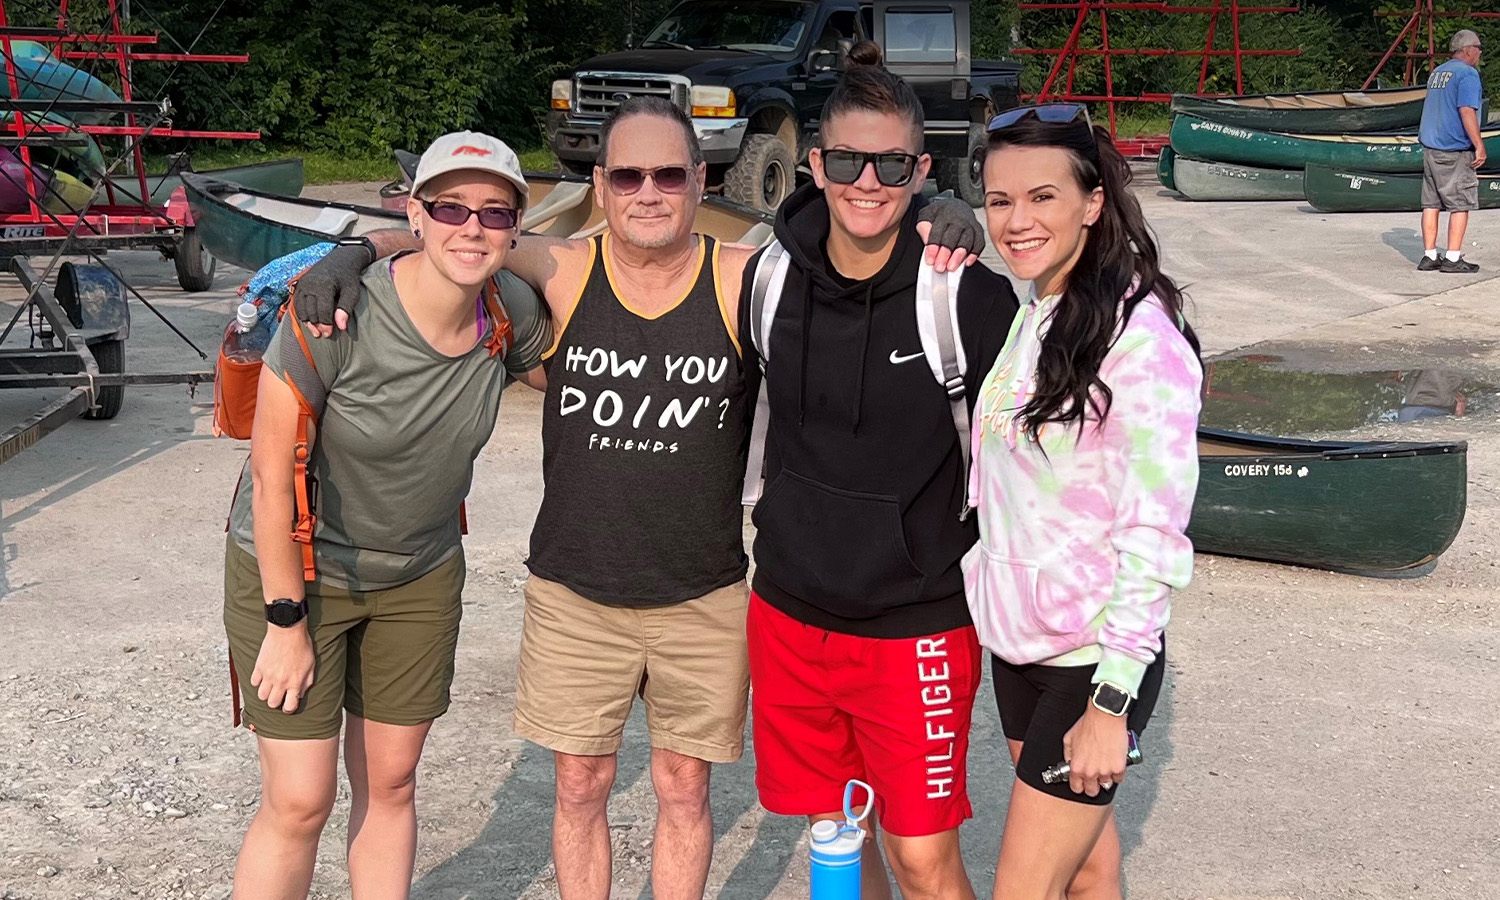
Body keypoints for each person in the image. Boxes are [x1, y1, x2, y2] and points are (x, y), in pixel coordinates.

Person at [278, 97, 984, 900]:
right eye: (627, 175)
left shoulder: (740, 279)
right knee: (580, 787)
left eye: (670, 174)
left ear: (701, 182)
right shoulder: (569, 268)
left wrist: (936, 209)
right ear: (601, 185)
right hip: (575, 592)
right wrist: (353, 249)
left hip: (703, 594)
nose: (649, 191)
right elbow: (460, 231)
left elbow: (851, 245)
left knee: (683, 789)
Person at [223, 132, 544, 900]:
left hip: (419, 574)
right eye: (450, 208)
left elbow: (587, 382)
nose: (472, 227)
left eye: (495, 213)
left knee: (393, 783)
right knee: (300, 800)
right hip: (299, 571)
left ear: (517, 226)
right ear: (417, 213)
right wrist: (285, 621)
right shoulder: (335, 315)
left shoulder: (510, 310)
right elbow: (270, 481)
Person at [741, 42, 1019, 900]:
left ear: (921, 168)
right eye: (851, 160)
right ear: (815, 163)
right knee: (836, 841)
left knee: (923, 861)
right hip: (789, 612)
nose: (870, 181)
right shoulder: (769, 278)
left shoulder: (968, 298)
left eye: (893, 164)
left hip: (916, 625)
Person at [966, 104, 1202, 900]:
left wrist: (1112, 700)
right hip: (1024, 649)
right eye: (999, 200)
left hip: (1091, 662)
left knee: (1022, 889)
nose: (1016, 221)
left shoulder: (1143, 339)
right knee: (1089, 869)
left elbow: (1156, 530)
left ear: (1092, 201)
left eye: (1042, 198)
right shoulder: (1037, 311)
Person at [1417, 29, 1485, 274]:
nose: (1479, 53)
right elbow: (1466, 110)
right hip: (1453, 150)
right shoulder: (1468, 74)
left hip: (1430, 148)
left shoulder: (1438, 72)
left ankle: (1430, 255)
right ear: (1467, 50)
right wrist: (1479, 144)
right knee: (1460, 204)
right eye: (1479, 48)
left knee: (1431, 204)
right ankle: (1453, 259)